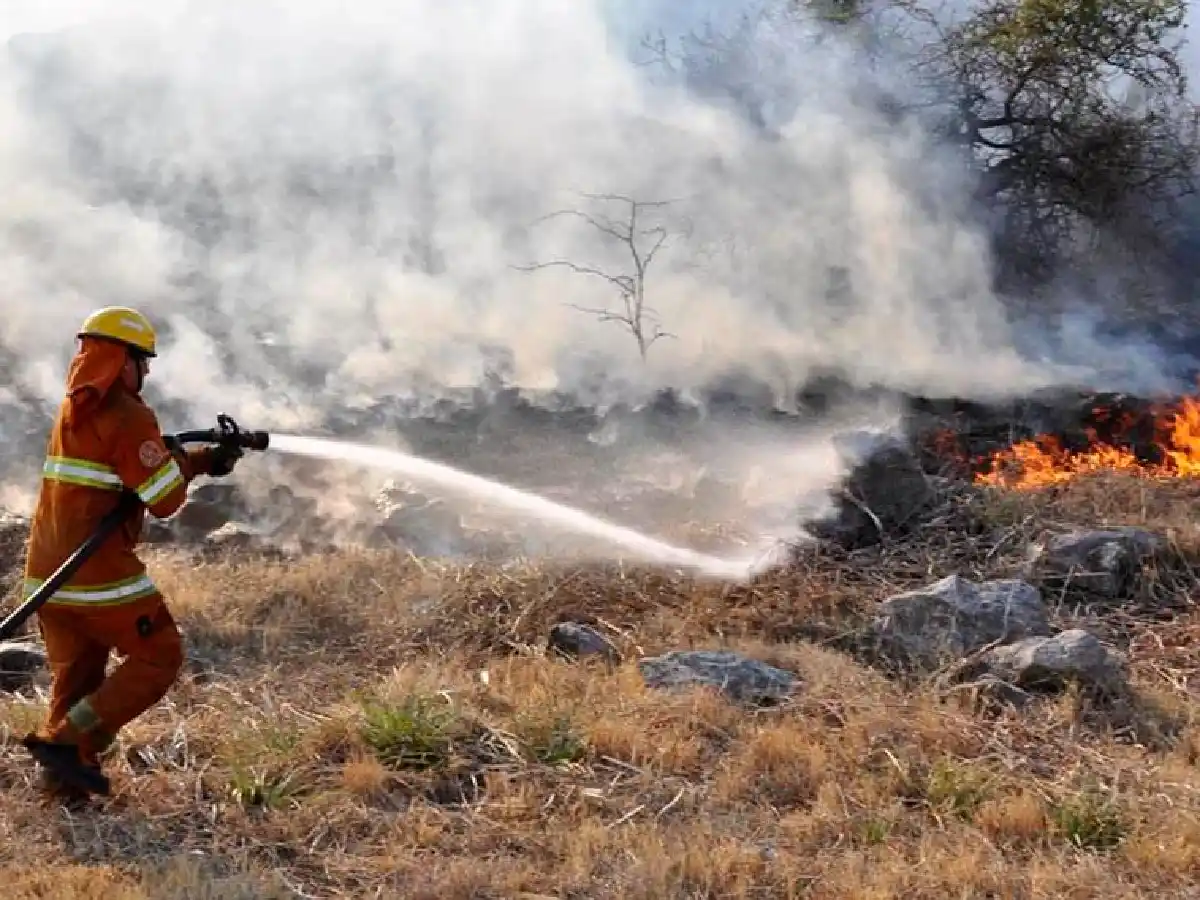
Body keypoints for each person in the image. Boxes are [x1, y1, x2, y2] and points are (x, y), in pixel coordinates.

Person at [18, 306, 243, 801]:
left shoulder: (74, 407)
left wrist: (204, 458)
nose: (147, 373)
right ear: (123, 360)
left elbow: (130, 468)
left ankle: (64, 787)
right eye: (144, 362)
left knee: (78, 678)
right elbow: (163, 499)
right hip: (97, 574)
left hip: (47, 574)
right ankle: (65, 743)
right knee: (159, 655)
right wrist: (188, 463)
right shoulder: (128, 413)